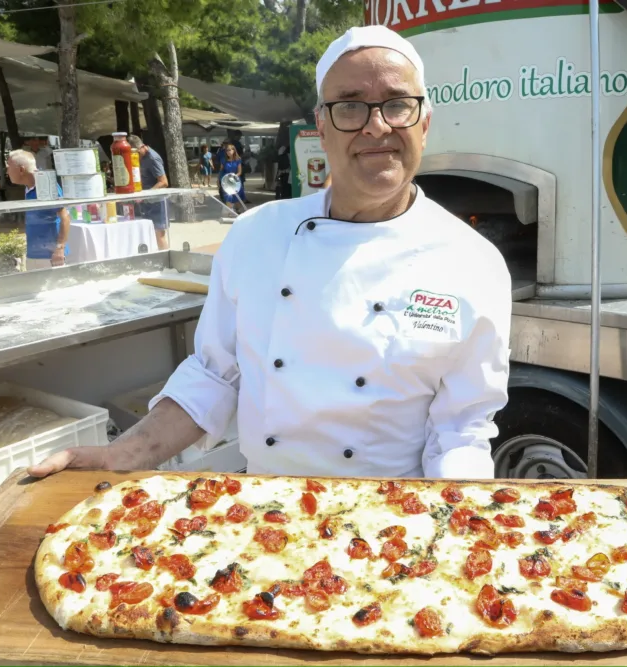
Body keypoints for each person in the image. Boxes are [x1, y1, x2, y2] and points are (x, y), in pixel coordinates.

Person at [27, 25, 512, 480]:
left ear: (424, 122)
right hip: (265, 515)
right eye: (349, 106)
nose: (376, 126)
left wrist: (461, 529)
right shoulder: (256, 235)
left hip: (392, 526)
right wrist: (122, 456)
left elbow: (461, 432)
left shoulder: (474, 263)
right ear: (321, 127)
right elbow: (214, 376)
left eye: (397, 104)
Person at [6, 150, 70, 271]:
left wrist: (60, 248)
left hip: (51, 255)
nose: (7, 172)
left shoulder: (45, 184)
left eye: (9, 168)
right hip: (34, 253)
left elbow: (65, 218)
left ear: (21, 169)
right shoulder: (29, 185)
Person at [127, 135, 170, 251]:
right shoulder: (140, 157)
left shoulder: (152, 159)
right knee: (146, 235)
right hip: (145, 202)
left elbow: (164, 182)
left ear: (141, 147)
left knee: (159, 236)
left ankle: (167, 261)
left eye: (135, 153)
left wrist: (146, 195)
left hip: (157, 203)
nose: (134, 156)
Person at [218, 143, 244, 212]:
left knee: (237, 197)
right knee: (228, 196)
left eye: (230, 150)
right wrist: (219, 180)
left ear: (234, 151)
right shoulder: (224, 160)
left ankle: (237, 210)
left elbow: (239, 172)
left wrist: (234, 176)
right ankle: (230, 211)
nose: (228, 152)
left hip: (236, 180)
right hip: (226, 180)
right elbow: (221, 171)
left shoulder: (238, 160)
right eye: (227, 150)